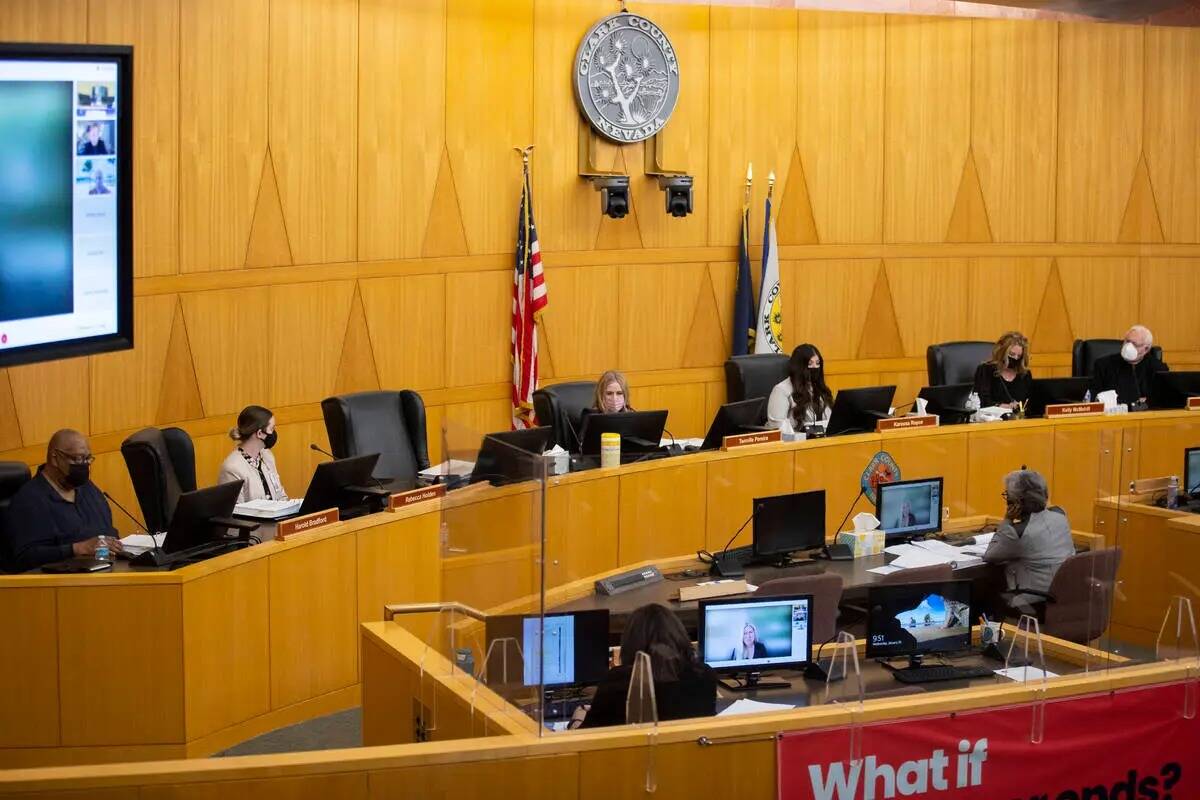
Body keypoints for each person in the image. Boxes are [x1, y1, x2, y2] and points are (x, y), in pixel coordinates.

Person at [576, 603, 717, 728]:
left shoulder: (618, 681)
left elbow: (584, 740)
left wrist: (577, 719)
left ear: (630, 642)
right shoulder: (704, 675)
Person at [2, 429, 122, 572]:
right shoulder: (30, 500)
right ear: (55, 458)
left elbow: (108, 531)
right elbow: (25, 558)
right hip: (54, 584)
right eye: (77, 459)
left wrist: (114, 544)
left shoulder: (88, 489)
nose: (84, 465)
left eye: (88, 459)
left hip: (102, 572)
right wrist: (76, 549)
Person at [983, 469, 1074, 616]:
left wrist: (1007, 519)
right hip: (1063, 597)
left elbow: (990, 555)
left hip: (1034, 603)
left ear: (1016, 503)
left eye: (1007, 496)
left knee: (983, 595)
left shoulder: (1020, 532)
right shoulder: (1060, 514)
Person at [219, 406, 287, 503]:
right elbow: (235, 512)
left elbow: (280, 495)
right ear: (259, 433)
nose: (274, 433)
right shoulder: (232, 468)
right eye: (272, 429)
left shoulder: (267, 456)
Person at [1090, 325, 1169, 408]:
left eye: (1135, 344)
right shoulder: (1103, 365)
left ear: (1146, 349)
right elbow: (1095, 398)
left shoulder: (1158, 369)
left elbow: (1163, 399)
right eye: (1127, 341)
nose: (1128, 347)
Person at [766, 343, 833, 433]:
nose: (815, 368)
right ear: (799, 366)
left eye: (818, 363)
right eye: (810, 364)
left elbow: (831, 421)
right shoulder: (781, 390)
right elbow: (777, 428)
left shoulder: (820, 389)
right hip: (795, 443)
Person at [974, 331, 1033, 410]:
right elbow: (982, 401)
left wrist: (1019, 406)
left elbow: (1029, 403)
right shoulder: (986, 370)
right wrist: (1001, 406)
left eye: (1019, 356)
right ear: (1002, 352)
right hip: (992, 418)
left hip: (1019, 419)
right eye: (1011, 354)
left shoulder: (1024, 374)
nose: (1015, 358)